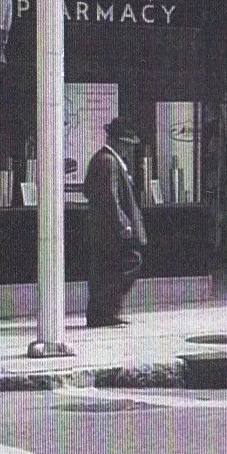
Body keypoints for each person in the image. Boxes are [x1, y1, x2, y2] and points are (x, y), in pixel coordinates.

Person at [84, 116, 148, 328]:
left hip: (103, 230)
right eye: (126, 144)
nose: (129, 149)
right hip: (111, 231)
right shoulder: (108, 162)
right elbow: (110, 199)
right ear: (116, 141)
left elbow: (92, 192)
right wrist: (124, 225)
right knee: (129, 262)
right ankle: (105, 311)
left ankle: (102, 313)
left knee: (105, 271)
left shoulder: (103, 159)